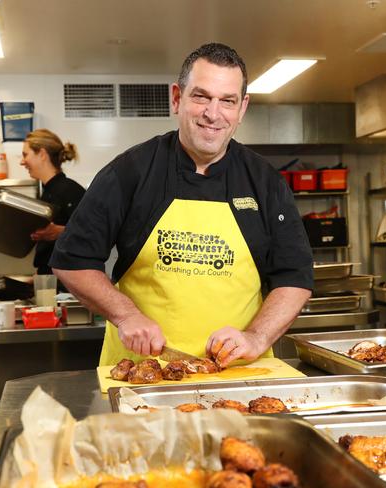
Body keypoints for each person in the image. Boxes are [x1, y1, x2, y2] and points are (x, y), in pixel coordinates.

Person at [51, 43, 313, 367]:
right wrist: (126, 315)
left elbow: (294, 276)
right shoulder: (130, 171)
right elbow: (72, 260)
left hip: (236, 377)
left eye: (227, 101)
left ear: (242, 108)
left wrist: (256, 337)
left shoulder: (265, 182)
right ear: (177, 97)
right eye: (201, 96)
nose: (213, 113)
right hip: (143, 375)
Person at [21, 129, 86, 275]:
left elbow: (93, 232)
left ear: (42, 154)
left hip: (68, 284)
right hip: (51, 279)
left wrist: (61, 232)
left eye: (25, 155)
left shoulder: (70, 190)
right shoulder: (48, 192)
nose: (22, 161)